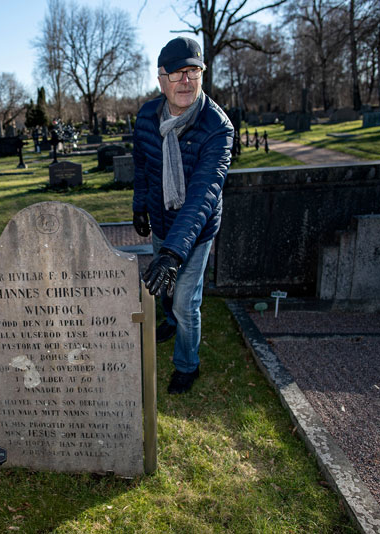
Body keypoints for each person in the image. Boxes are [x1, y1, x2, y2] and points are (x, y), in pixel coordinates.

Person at [132, 37, 234, 395]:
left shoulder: (218, 128)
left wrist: (173, 254)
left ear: (202, 74)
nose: (185, 80)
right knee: (166, 288)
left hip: (198, 226)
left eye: (193, 71)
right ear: (161, 79)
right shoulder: (147, 116)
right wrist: (139, 204)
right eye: (176, 73)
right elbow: (143, 166)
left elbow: (203, 195)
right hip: (161, 220)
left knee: (186, 300)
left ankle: (187, 365)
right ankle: (169, 321)